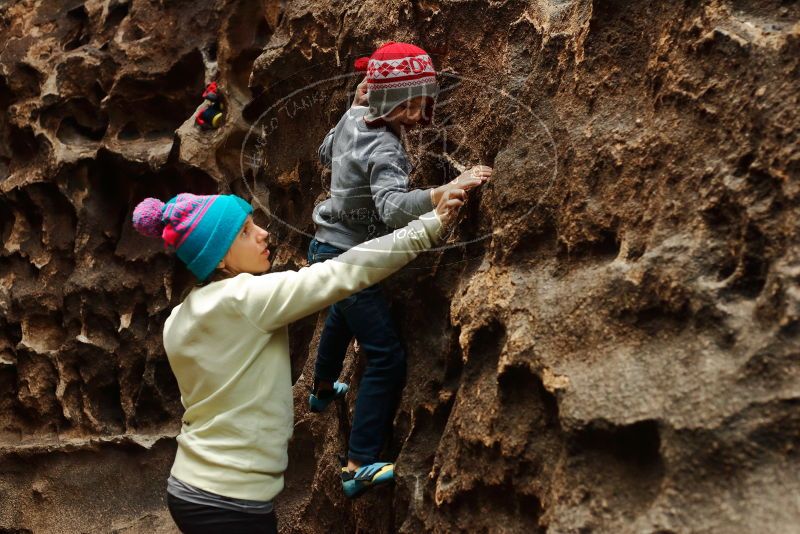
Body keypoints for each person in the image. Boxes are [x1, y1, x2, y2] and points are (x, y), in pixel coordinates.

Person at [130, 185, 468, 533]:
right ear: (218, 257)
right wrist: (429, 224)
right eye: (245, 232)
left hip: (190, 488)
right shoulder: (244, 299)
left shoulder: (177, 320)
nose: (263, 234)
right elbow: (341, 273)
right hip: (229, 501)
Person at [308, 41, 492, 497]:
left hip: (322, 247)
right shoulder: (387, 147)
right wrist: (439, 192)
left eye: (423, 103)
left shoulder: (353, 116)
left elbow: (325, 152)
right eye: (407, 104)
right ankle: (358, 465)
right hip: (350, 260)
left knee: (339, 312)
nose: (415, 114)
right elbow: (391, 210)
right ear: (385, 98)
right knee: (386, 357)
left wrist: (352, 107)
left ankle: (322, 388)